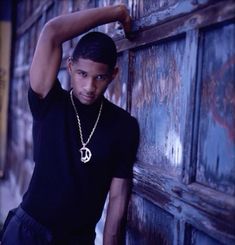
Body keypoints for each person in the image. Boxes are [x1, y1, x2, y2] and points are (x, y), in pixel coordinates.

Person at [0, 4, 139, 245]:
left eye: (100, 77)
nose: (89, 87)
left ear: (113, 75)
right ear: (70, 67)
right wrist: (115, 13)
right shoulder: (49, 100)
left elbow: (117, 203)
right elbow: (52, 32)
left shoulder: (123, 126)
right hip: (26, 233)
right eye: (82, 74)